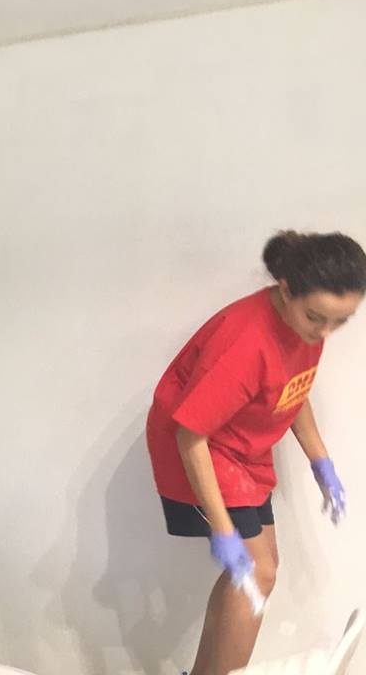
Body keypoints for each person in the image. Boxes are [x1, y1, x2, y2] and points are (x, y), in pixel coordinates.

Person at [145, 230, 366, 675]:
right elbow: (190, 436)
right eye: (317, 317)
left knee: (255, 571)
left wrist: (320, 461)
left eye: (341, 321)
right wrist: (223, 528)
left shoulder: (305, 323)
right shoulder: (246, 343)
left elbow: (294, 390)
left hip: (240, 450)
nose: (325, 332)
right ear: (285, 289)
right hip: (202, 449)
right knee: (257, 573)